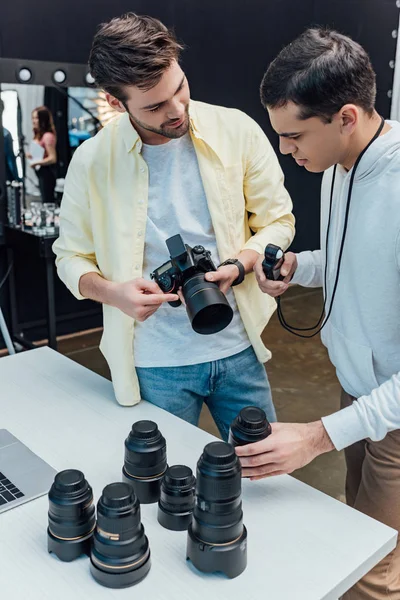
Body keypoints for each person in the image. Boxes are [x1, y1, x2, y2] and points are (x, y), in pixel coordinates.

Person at [52, 12, 295, 440]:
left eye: (179, 87)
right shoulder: (92, 162)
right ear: (114, 102)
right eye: (155, 105)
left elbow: (277, 218)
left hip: (238, 346)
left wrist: (241, 264)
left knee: (268, 477)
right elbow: (69, 257)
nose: (177, 109)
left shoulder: (235, 129)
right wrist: (114, 293)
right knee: (166, 485)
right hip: (155, 362)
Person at [237, 28, 400, 600]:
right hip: (358, 389)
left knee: (371, 575)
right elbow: (358, 254)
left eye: (293, 135)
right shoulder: (336, 165)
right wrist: (302, 267)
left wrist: (316, 437)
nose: (285, 150)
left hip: (396, 412)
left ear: (346, 117)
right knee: (360, 539)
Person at [28, 106, 57, 203]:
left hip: (47, 174)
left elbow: (53, 158)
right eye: (33, 118)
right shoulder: (39, 135)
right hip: (41, 173)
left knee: (48, 201)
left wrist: (36, 162)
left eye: (36, 118)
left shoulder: (47, 136)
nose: (34, 121)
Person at [0, 99, 19, 181]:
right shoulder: (5, 134)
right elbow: (10, 160)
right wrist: (17, 178)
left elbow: (10, 160)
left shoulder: (5, 134)